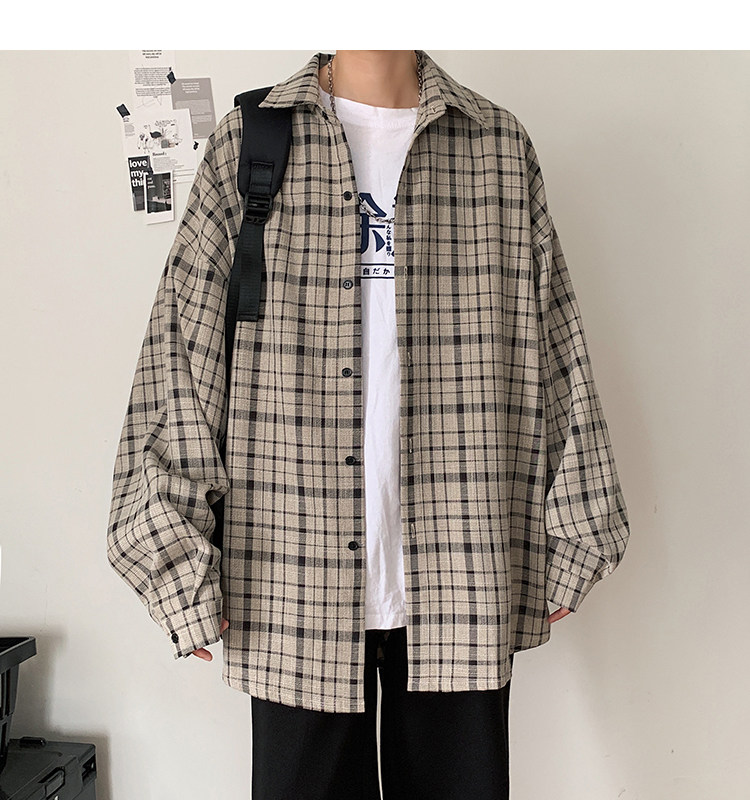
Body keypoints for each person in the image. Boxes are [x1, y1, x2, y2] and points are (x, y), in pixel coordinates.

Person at [107, 50, 630, 799]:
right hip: (290, 579)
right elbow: (180, 361)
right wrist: (173, 559)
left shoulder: (496, 147)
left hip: (461, 570)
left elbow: (555, 345)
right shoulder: (250, 143)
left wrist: (579, 527)